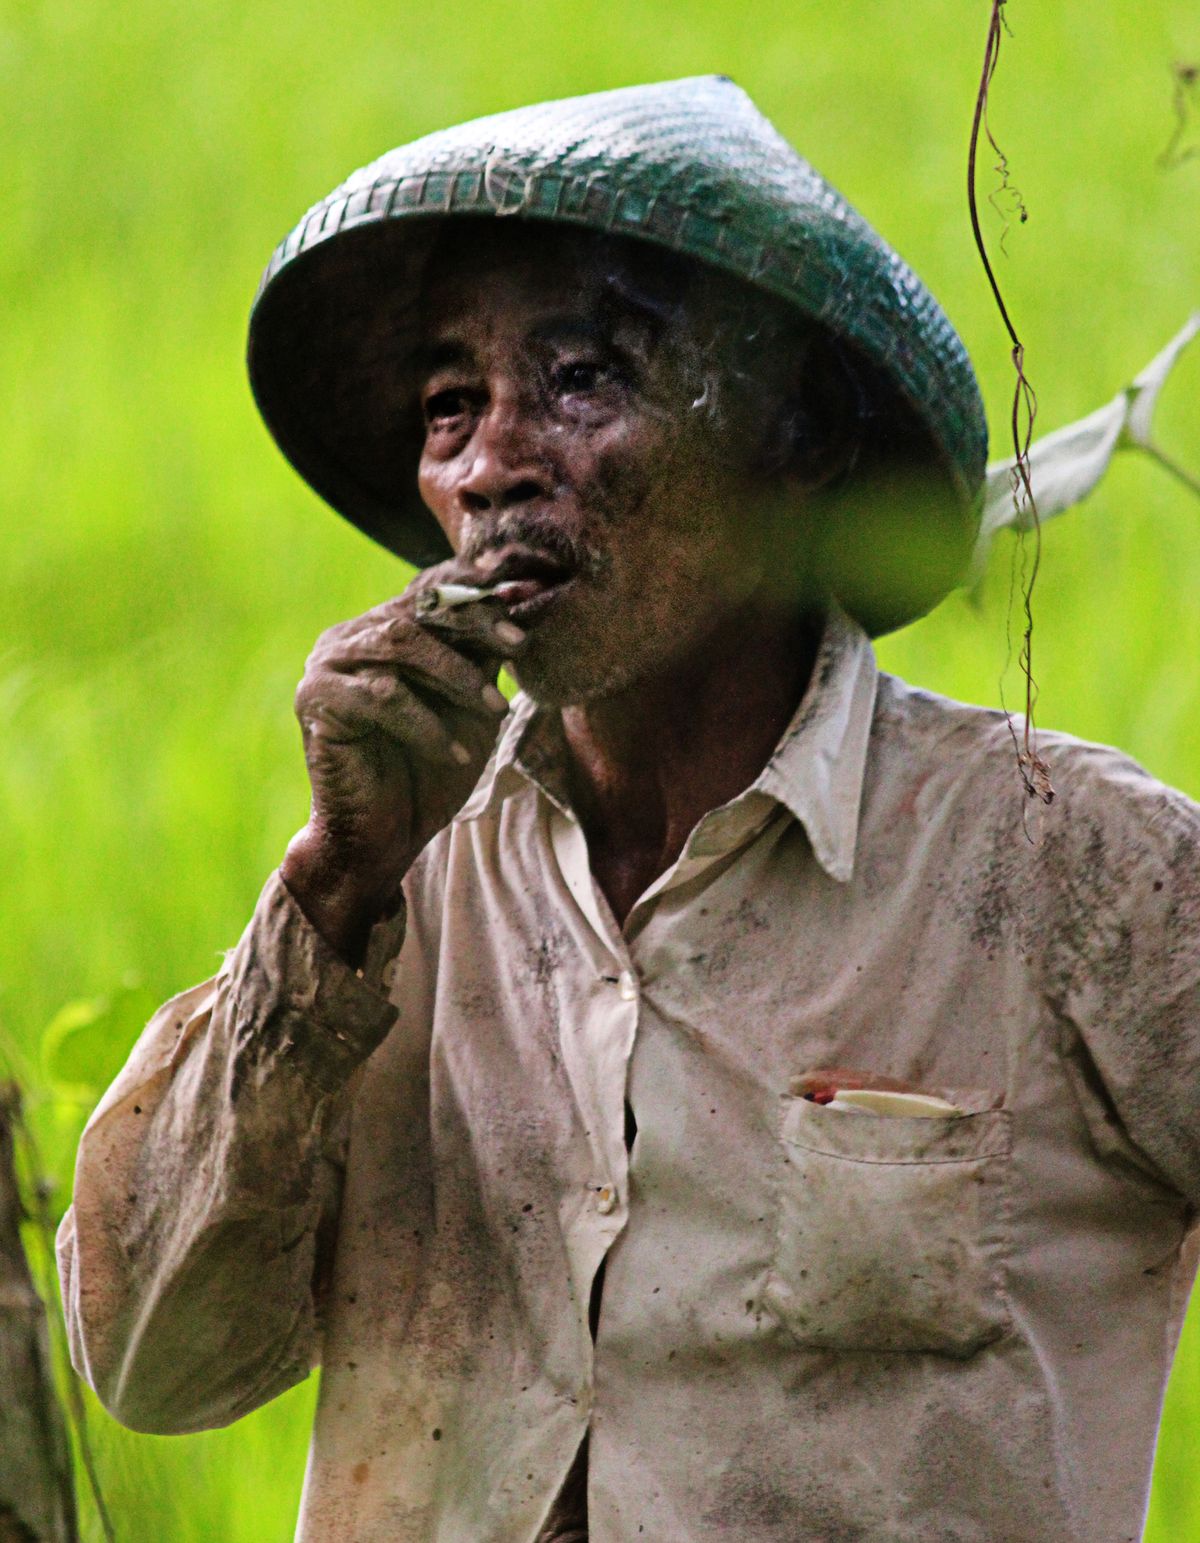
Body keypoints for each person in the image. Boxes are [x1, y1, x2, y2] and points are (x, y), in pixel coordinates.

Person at [58, 77, 1200, 1542]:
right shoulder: (395, 894)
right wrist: (335, 883)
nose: (489, 468)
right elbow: (157, 1366)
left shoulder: (1063, 873)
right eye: (449, 406)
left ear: (798, 442)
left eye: (582, 379)